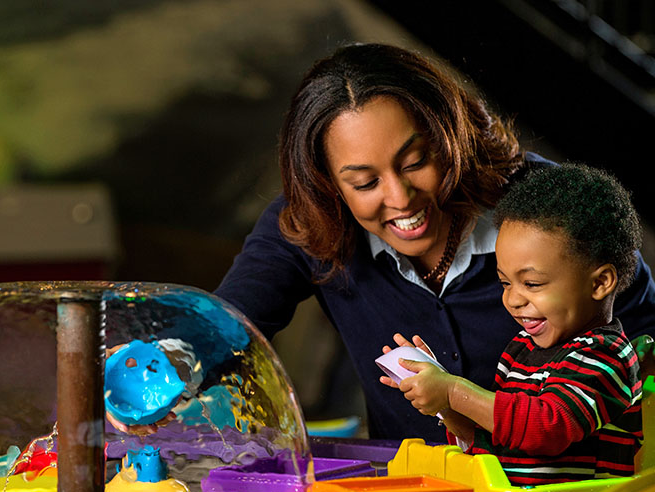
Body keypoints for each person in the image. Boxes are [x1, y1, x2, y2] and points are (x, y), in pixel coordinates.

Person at [214, 42, 655, 442]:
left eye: (415, 161)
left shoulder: (557, 213)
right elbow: (220, 329)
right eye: (365, 183)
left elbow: (645, 342)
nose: (400, 198)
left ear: (450, 136)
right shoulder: (309, 220)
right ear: (328, 185)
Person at [381, 164, 643, 484]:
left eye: (531, 284)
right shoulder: (521, 350)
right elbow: (498, 443)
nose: (513, 299)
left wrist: (454, 391)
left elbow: (544, 429)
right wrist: (446, 406)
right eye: (505, 283)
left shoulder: (605, 356)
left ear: (600, 282)